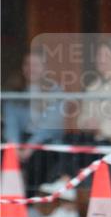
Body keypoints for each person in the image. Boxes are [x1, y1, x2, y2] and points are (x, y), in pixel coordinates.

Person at [40, 38, 111, 217]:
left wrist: (104, 128)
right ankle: (67, 199)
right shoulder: (93, 86)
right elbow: (82, 118)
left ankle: (67, 192)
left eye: (106, 56)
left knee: (89, 150)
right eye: (99, 56)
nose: (102, 60)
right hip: (95, 139)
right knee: (71, 139)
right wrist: (87, 123)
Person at [2, 49, 65, 199]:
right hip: (21, 139)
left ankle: (30, 201)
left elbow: (51, 123)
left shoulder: (54, 91)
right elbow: (11, 122)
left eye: (36, 65)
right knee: (5, 154)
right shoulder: (16, 92)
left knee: (39, 159)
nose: (31, 68)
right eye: (27, 64)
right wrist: (14, 145)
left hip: (45, 140)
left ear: (44, 68)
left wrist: (31, 146)